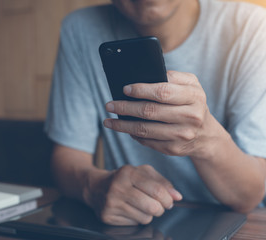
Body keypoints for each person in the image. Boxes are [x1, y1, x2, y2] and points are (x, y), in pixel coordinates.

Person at [45, 0, 266, 226]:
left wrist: (206, 142)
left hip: (233, 224)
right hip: (132, 226)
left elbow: (249, 195)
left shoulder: (252, 27)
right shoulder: (79, 29)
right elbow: (67, 156)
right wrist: (95, 186)